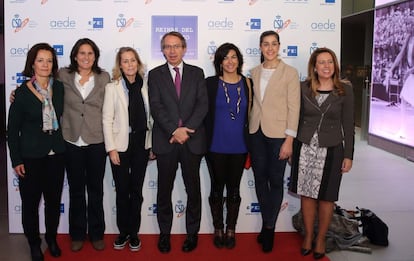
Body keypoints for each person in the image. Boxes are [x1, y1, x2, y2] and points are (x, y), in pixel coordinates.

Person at [289, 47, 355, 259]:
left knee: (327, 198)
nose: (326, 66)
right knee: (307, 196)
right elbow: (295, 119)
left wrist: (349, 155)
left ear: (335, 65)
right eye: (321, 63)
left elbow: (348, 124)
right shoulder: (303, 88)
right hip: (305, 148)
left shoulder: (345, 89)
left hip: (333, 149)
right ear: (314, 67)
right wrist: (290, 145)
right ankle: (308, 236)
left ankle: (320, 239)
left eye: (330, 62)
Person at [148, 31, 208, 253]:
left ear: (184, 48)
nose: (172, 51)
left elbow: (202, 105)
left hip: (191, 141)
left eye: (176, 46)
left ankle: (192, 234)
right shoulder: (154, 75)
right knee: (164, 191)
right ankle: (165, 234)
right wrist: (174, 130)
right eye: (167, 47)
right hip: (167, 140)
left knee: (193, 190)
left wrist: (186, 131)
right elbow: (156, 106)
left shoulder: (197, 73)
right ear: (162, 50)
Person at [7, 43, 65, 261]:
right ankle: (33, 243)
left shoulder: (58, 88)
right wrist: (16, 160)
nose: (45, 64)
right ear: (32, 63)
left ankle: (51, 239)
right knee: (30, 205)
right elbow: (12, 130)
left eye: (49, 60)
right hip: (30, 158)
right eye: (40, 60)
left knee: (53, 202)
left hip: (56, 155)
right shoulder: (21, 93)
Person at [248, 30, 300, 253]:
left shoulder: (290, 73)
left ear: (279, 47)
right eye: (265, 44)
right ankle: (266, 223)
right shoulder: (254, 72)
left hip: (279, 134)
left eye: (273, 44)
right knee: (260, 179)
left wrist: (289, 140)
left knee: (276, 180)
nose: (269, 48)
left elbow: (294, 107)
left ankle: (269, 227)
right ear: (260, 47)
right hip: (256, 132)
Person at [58, 38, 110, 252]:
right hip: (71, 140)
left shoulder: (104, 77)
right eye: (82, 53)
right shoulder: (63, 75)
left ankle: (97, 233)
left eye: (90, 53)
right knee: (76, 191)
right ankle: (77, 234)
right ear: (75, 56)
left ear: (95, 56)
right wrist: (18, 91)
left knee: (96, 190)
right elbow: (41, 86)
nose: (86, 57)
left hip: (96, 140)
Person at [102, 47, 153, 252]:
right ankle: (123, 232)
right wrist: (111, 149)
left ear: (138, 64)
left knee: (137, 191)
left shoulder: (146, 86)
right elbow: (107, 120)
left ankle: (134, 233)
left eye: (133, 60)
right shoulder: (112, 88)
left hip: (142, 143)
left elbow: (151, 117)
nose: (130, 64)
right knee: (122, 191)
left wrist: (152, 144)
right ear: (120, 65)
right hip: (120, 146)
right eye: (125, 61)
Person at [204, 43, 252, 249]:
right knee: (216, 188)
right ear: (219, 62)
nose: (230, 61)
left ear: (239, 60)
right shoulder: (210, 83)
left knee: (234, 189)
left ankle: (231, 229)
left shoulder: (249, 83)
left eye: (234, 57)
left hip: (240, 146)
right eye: (225, 58)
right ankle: (218, 228)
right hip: (215, 146)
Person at [386, 27, 414, 139]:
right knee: (403, 98)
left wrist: (410, 70)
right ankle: (403, 130)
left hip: (411, 73)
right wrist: (391, 69)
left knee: (408, 99)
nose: (408, 26)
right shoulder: (408, 38)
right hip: (411, 74)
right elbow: (400, 55)